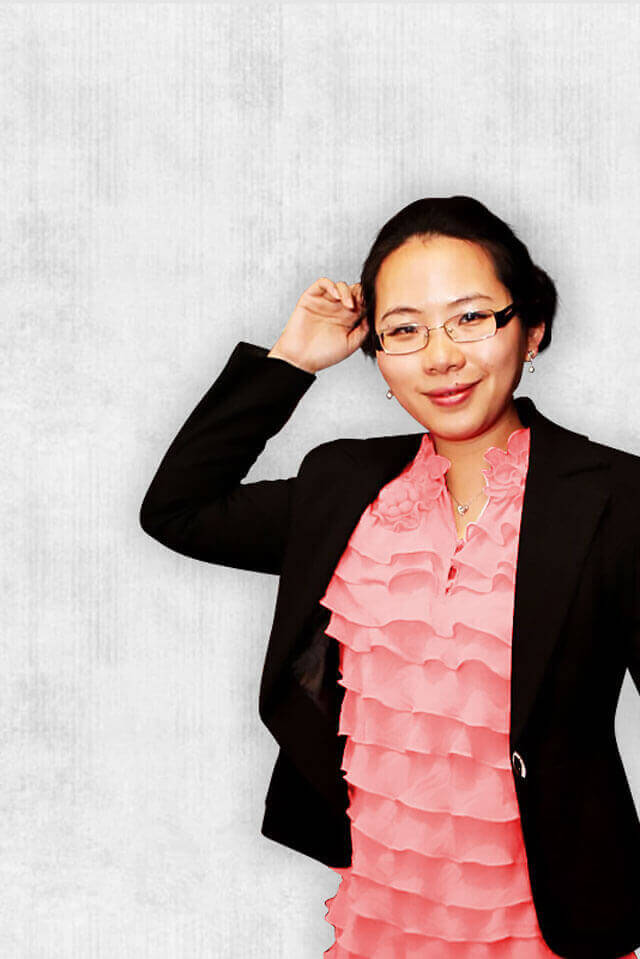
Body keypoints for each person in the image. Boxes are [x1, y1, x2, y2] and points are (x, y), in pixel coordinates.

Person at [139, 196, 640, 958]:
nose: (440, 357)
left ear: (532, 327)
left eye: (470, 318)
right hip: (385, 917)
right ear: (374, 350)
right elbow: (179, 509)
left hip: (549, 923)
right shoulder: (344, 486)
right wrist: (292, 360)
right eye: (405, 329)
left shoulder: (616, 497)